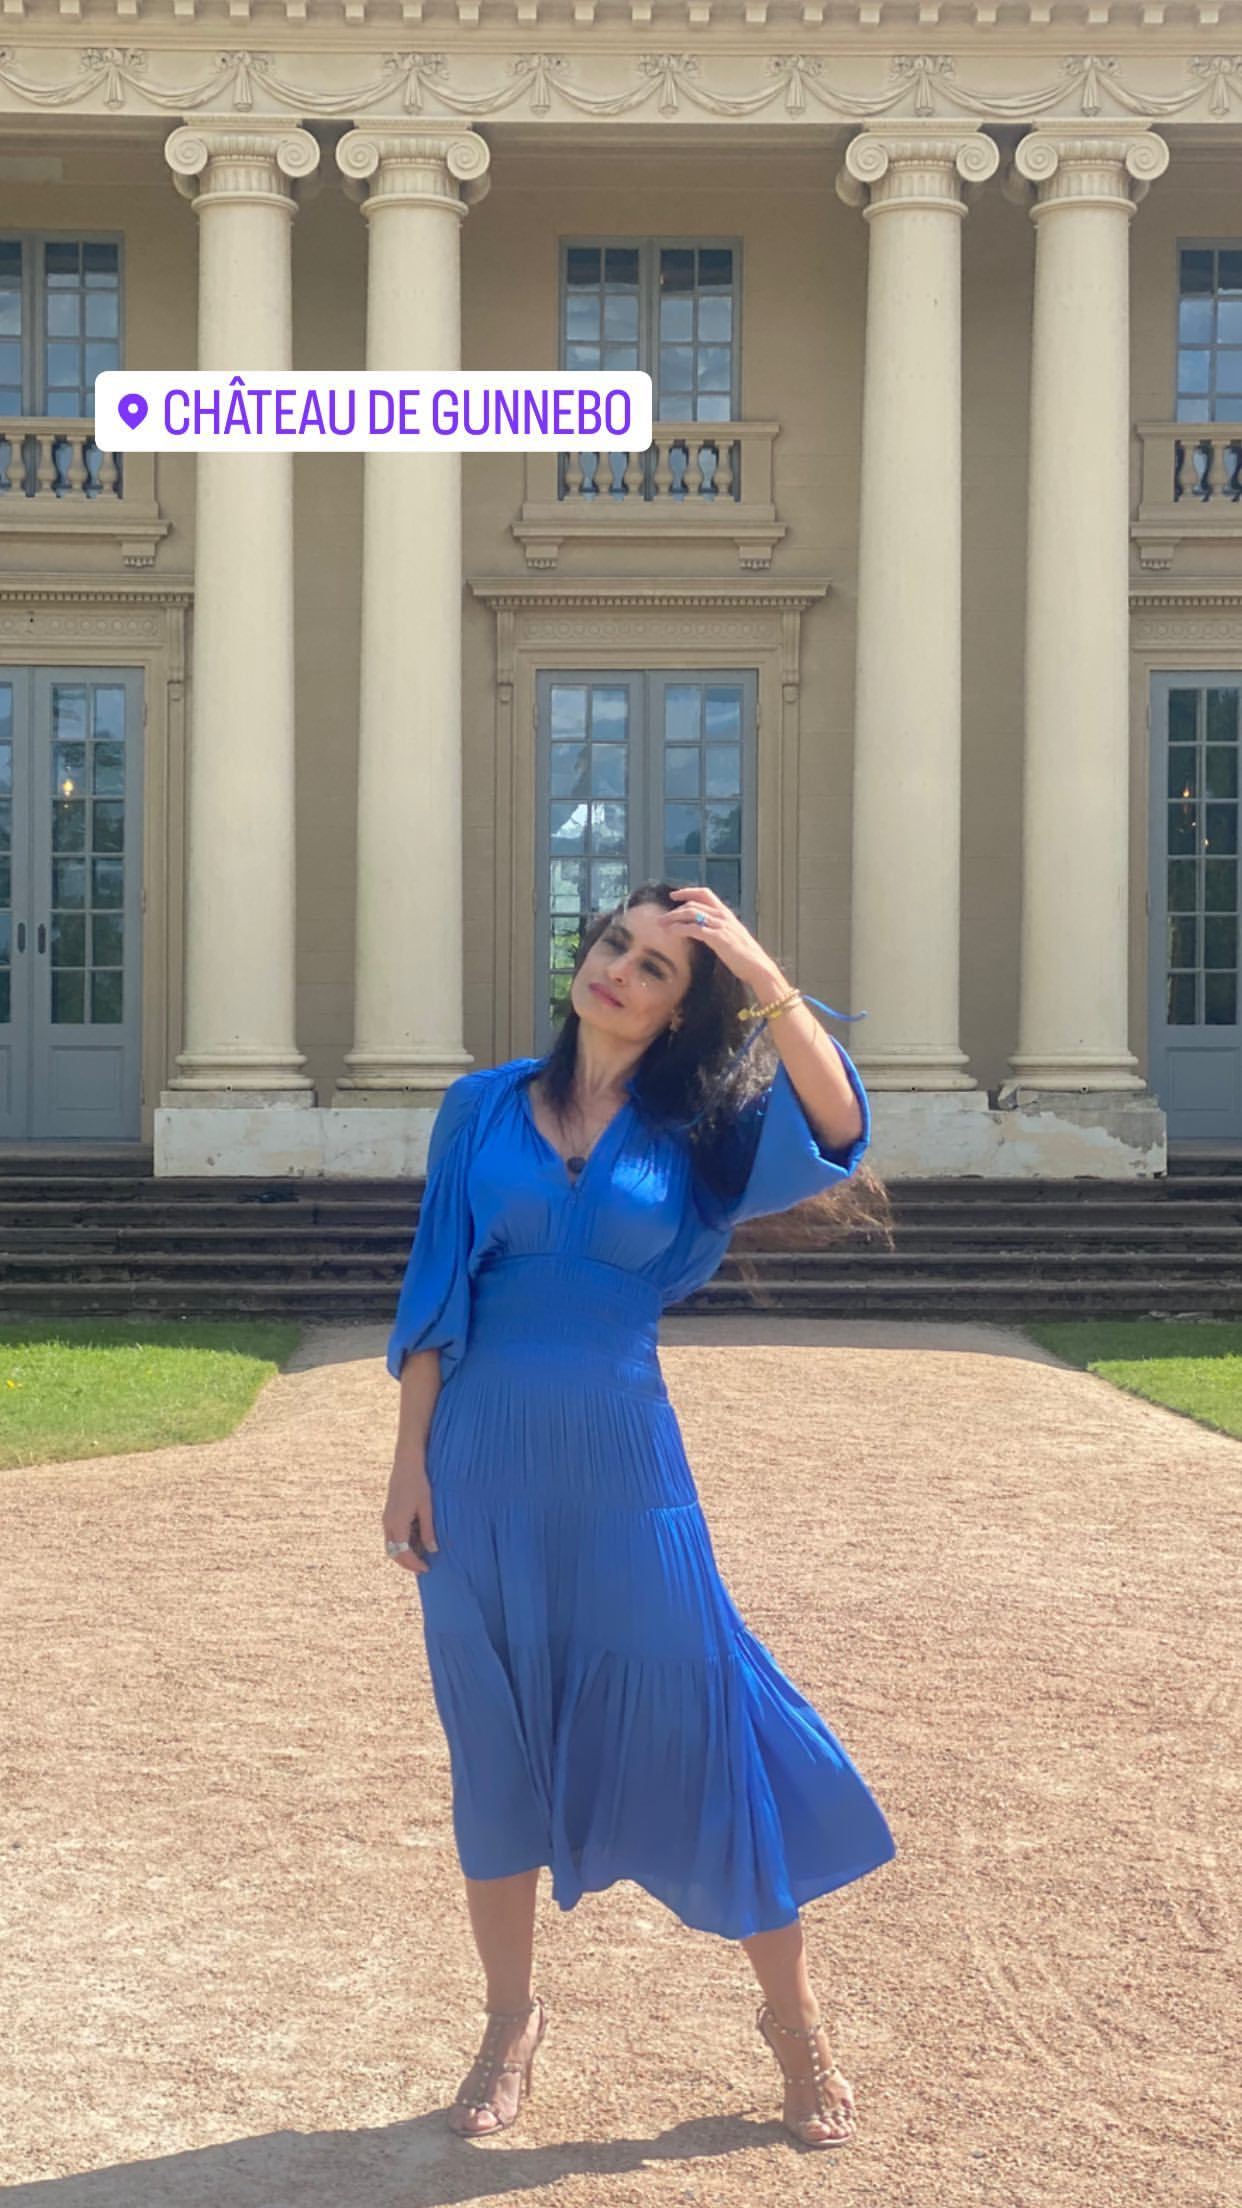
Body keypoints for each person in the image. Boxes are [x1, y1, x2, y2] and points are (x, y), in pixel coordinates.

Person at [381, 880, 897, 2151]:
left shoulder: (700, 1136)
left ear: (680, 1013)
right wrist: (408, 1465)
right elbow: (436, 1285)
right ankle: (509, 2024)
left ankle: (796, 2027)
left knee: (705, 1723)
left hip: (626, 1465)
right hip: (481, 1457)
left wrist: (759, 971)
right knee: (493, 1742)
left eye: (656, 968)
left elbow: (838, 1118)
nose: (617, 970)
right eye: (614, 943)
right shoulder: (480, 1106)